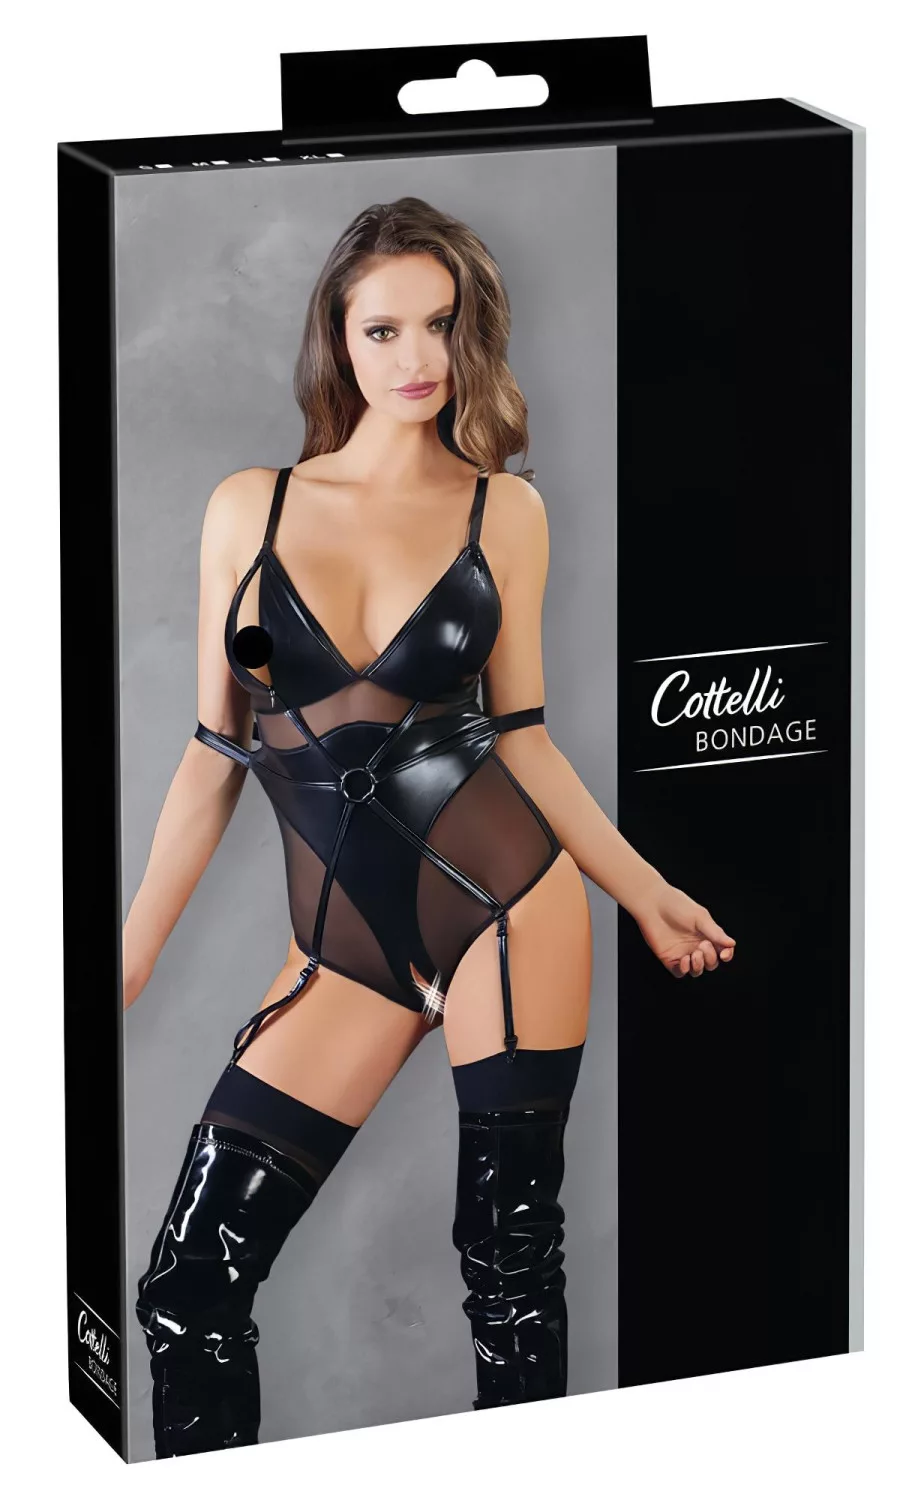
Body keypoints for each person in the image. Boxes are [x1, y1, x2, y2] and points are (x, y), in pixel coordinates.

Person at [123, 195, 736, 1457]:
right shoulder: (250, 508)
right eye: (384, 329)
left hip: (506, 907)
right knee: (190, 1289)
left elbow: (524, 741)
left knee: (509, 1268)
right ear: (337, 341)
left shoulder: (502, 514)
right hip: (343, 950)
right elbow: (212, 756)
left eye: (442, 326)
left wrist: (646, 891)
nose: (417, 358)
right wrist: (123, 963)